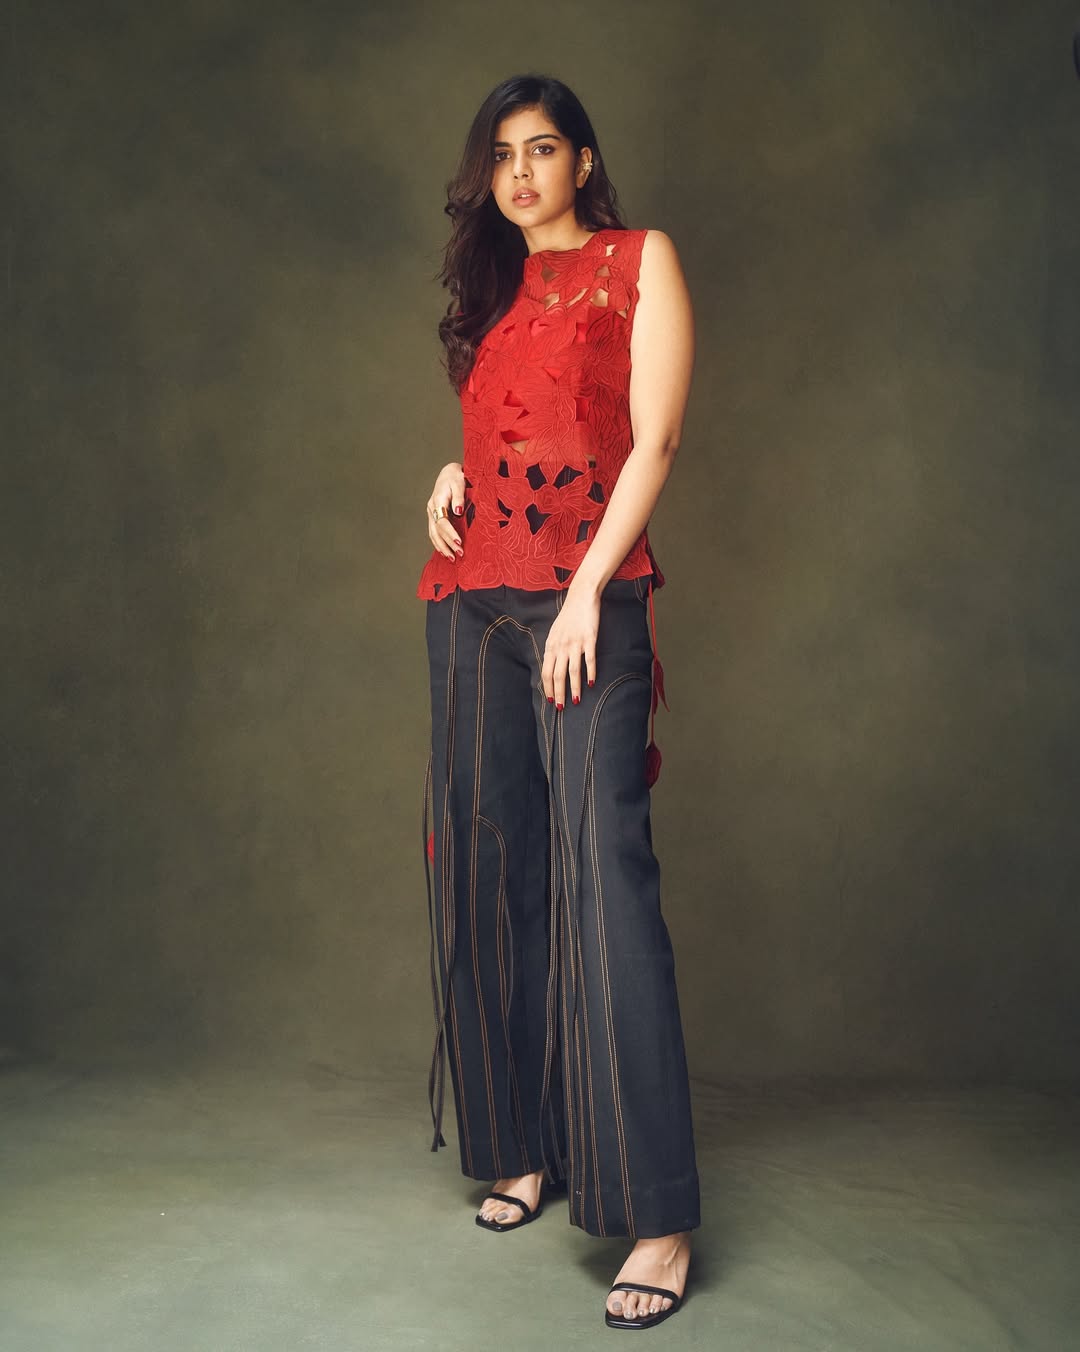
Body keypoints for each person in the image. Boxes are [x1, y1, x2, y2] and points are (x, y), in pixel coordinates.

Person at [416, 73, 700, 1331]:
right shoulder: (496, 293)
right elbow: (519, 431)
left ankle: (659, 1216)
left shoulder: (640, 262)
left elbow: (652, 440)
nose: (520, 173)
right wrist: (451, 466)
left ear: (583, 160)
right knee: (493, 870)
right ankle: (521, 1145)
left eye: (542, 149)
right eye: (501, 155)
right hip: (470, 601)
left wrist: (587, 593)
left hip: (588, 604)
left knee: (606, 884)